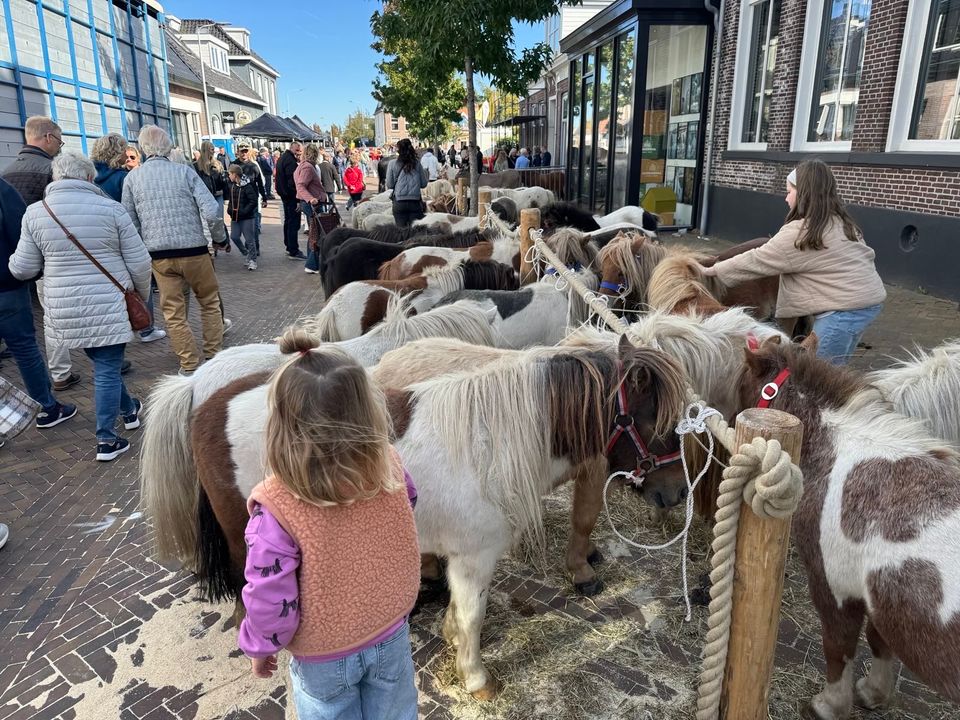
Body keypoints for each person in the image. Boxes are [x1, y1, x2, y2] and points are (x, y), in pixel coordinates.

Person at [238, 330, 420, 720]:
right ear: (366, 410)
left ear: (283, 426)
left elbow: (270, 595)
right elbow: (409, 506)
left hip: (323, 655)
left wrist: (262, 646)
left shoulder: (277, 505)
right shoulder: (388, 463)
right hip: (391, 630)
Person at [10, 152, 151, 460]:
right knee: (107, 368)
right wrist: (139, 295)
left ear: (55, 178)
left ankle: (129, 409)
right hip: (109, 302)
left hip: (64, 306)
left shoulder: (36, 213)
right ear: (89, 178)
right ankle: (105, 439)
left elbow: (22, 268)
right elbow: (140, 261)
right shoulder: (111, 209)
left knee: (104, 366)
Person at [701, 160, 886, 365]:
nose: (785, 197)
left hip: (842, 313)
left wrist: (712, 270)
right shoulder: (842, 223)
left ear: (803, 195)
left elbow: (755, 259)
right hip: (866, 305)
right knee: (837, 362)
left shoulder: (801, 233)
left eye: (789, 191)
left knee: (819, 373)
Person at [121, 125, 225, 376]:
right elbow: (211, 210)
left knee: (174, 313)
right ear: (168, 146)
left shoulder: (133, 178)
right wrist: (219, 238)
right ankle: (213, 356)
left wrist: (142, 247)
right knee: (209, 303)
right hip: (194, 251)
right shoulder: (184, 173)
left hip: (160, 256)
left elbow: (129, 220)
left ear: (143, 148)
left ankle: (189, 364)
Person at [0, 176, 76, 431]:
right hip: (6, 287)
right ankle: (47, 406)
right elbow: (19, 232)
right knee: (24, 349)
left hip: (7, 287)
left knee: (24, 350)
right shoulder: (3, 191)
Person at [93, 134, 166, 345]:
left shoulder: (91, 177)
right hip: (126, 236)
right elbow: (135, 211)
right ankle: (146, 327)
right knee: (139, 281)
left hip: (101, 240)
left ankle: (118, 331)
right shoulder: (123, 178)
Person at [0, 116, 62, 206]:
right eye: (59, 142)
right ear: (49, 137)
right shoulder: (55, 169)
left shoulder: (5, 172)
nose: (59, 147)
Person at [294, 145, 327, 275]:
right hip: (313, 204)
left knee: (314, 233)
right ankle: (312, 264)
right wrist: (311, 198)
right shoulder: (308, 167)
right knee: (316, 234)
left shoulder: (302, 166)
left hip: (309, 203)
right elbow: (301, 186)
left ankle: (313, 262)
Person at [226, 163, 262, 271]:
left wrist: (244, 211)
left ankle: (253, 260)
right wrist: (229, 210)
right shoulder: (232, 186)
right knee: (234, 237)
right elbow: (231, 200)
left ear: (235, 174)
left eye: (230, 174)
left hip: (247, 217)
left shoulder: (247, 186)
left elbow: (253, 201)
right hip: (235, 217)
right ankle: (246, 253)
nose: (228, 176)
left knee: (249, 239)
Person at [386, 139, 428, 228]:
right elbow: (424, 184)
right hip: (415, 203)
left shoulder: (392, 164)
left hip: (399, 202)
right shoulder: (417, 164)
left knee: (401, 232)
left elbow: (389, 185)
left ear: (398, 150)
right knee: (415, 231)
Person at [275, 142, 305, 260]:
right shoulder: (290, 161)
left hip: (285, 195)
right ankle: (293, 250)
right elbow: (292, 182)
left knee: (288, 221)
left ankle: (289, 246)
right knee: (293, 223)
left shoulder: (283, 158)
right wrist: (298, 199)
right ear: (295, 149)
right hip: (291, 196)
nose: (299, 154)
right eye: (298, 151)